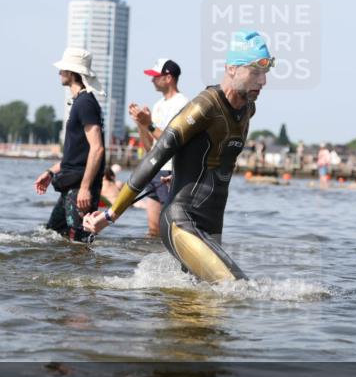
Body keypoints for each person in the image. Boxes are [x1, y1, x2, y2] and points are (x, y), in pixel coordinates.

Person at [84, 30, 271, 282]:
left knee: (201, 309)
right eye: (255, 72)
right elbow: (156, 156)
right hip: (181, 221)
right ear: (231, 69)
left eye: (265, 74)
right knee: (238, 289)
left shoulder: (248, 108)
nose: (263, 82)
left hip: (212, 224)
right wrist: (111, 214)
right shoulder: (204, 106)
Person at [34, 48, 105, 242]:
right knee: (53, 234)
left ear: (72, 73)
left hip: (79, 188)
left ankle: (82, 273)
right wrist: (50, 173)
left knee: (79, 242)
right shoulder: (79, 103)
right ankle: (62, 271)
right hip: (70, 184)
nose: (59, 73)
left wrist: (85, 188)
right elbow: (75, 154)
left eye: (63, 69)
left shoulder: (85, 103)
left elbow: (97, 148)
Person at [128, 59, 189, 235]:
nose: (152, 80)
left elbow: (173, 141)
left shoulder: (182, 103)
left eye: (156, 76)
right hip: (155, 169)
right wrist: (141, 124)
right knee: (153, 229)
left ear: (168, 77)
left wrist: (150, 124)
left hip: (171, 171)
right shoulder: (158, 105)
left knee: (170, 229)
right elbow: (150, 148)